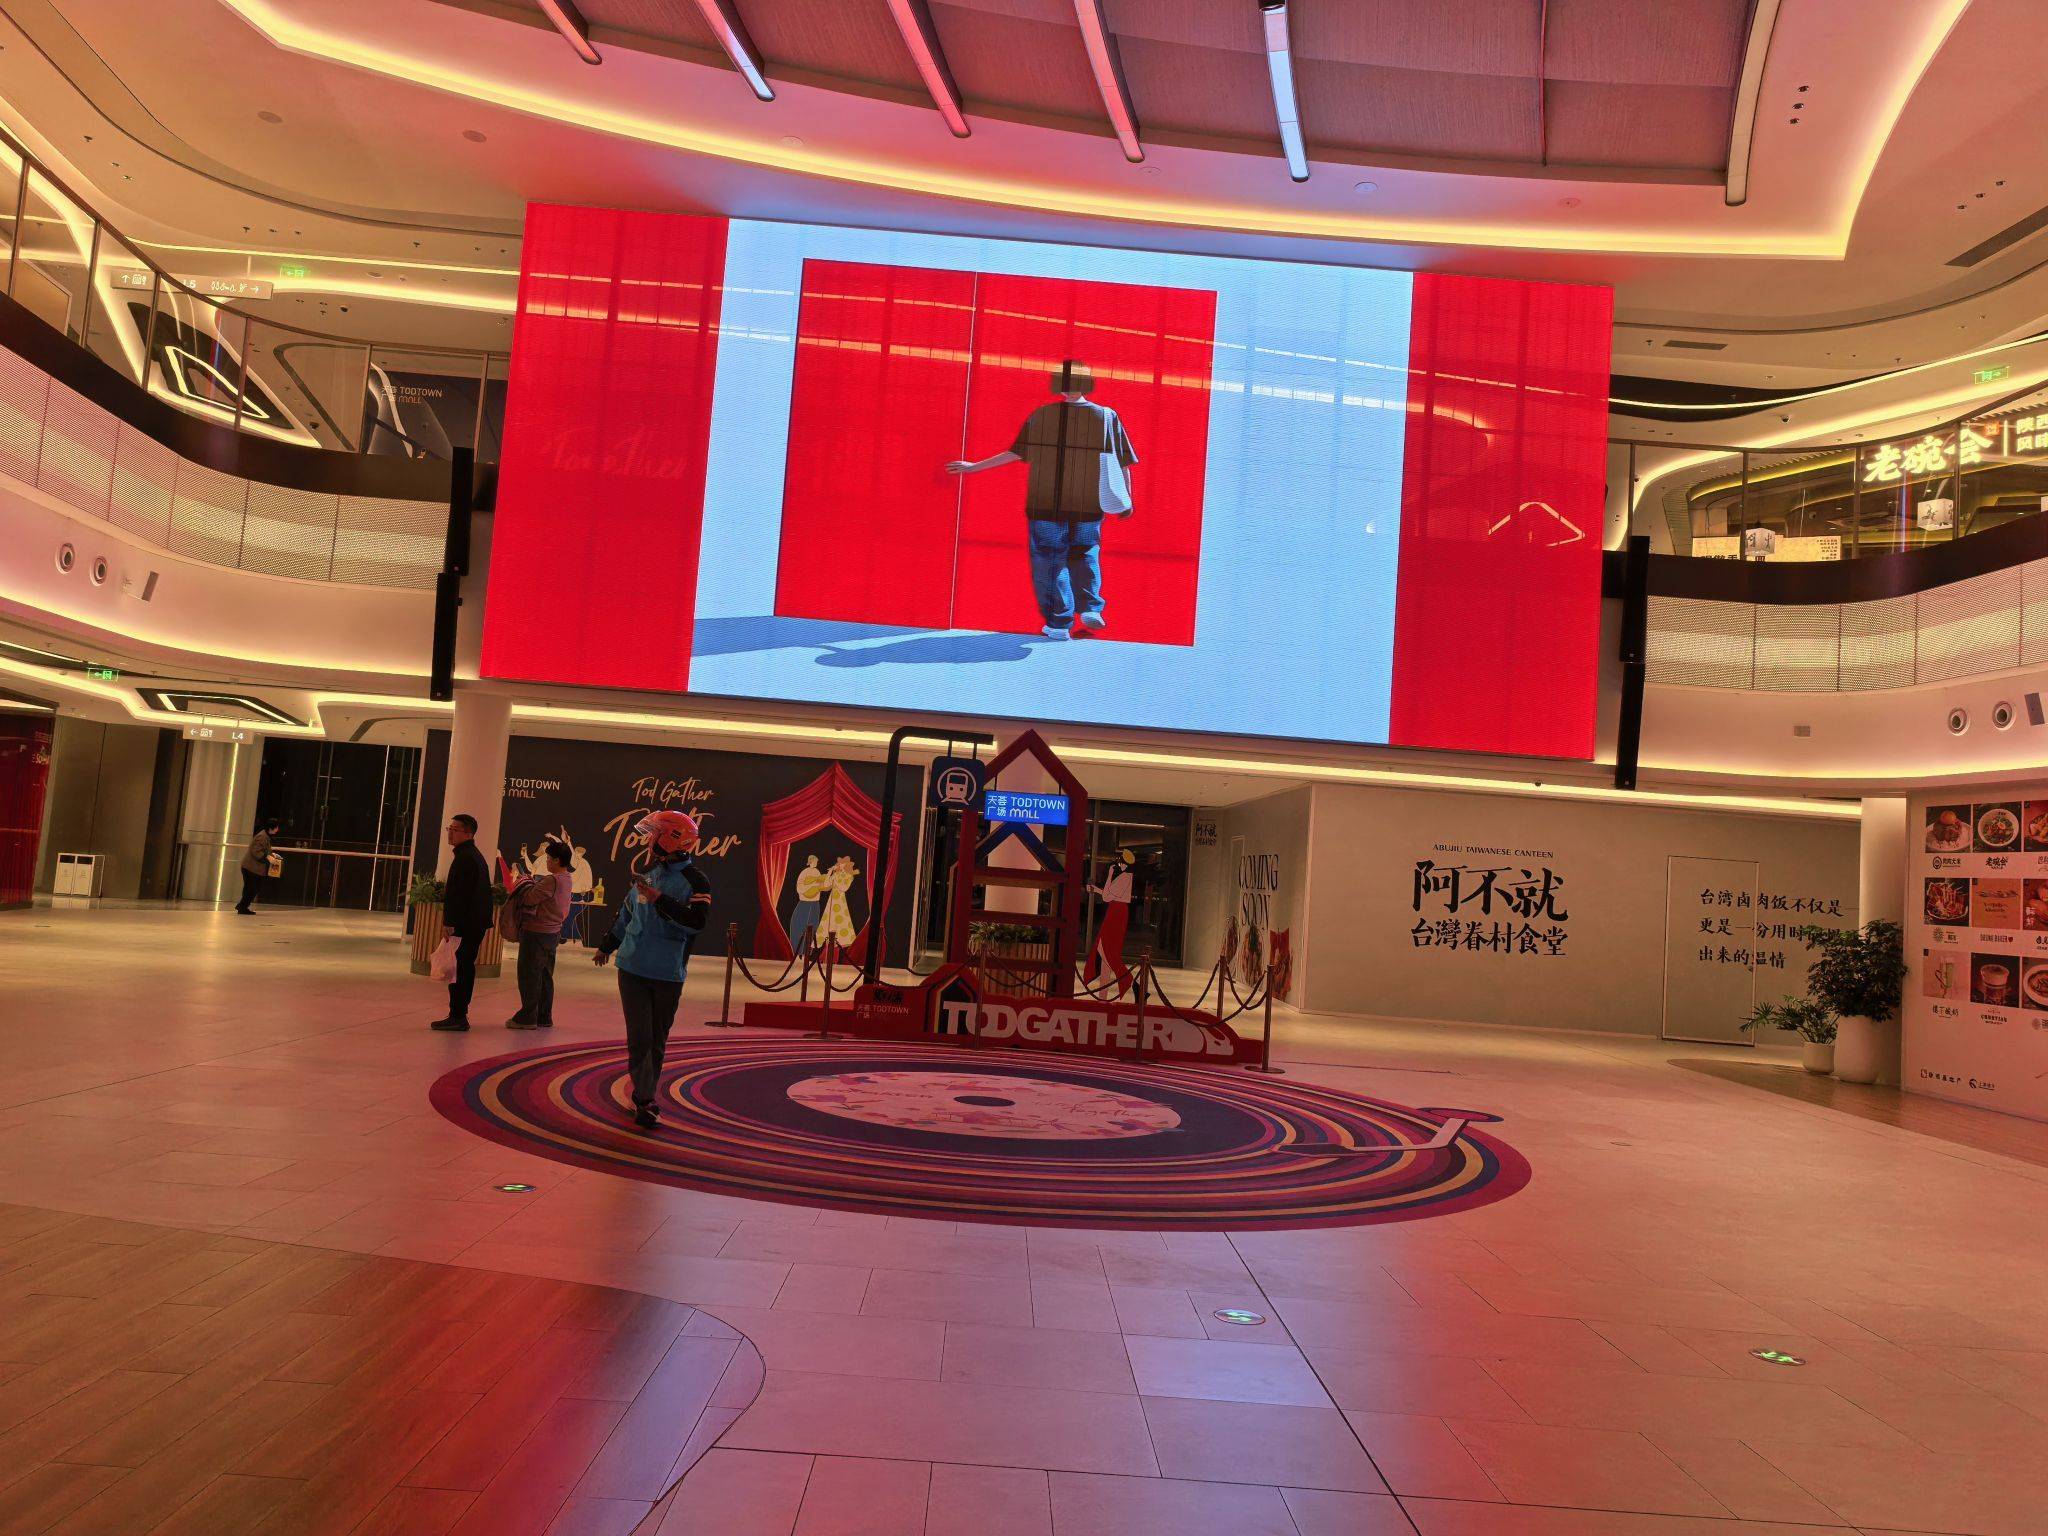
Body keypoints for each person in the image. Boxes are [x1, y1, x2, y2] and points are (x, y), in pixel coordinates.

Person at [945, 359, 1137, 640]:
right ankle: (1090, 607)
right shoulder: (1106, 416)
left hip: (1045, 503)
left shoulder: (1043, 415)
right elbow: (1123, 462)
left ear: (1058, 385)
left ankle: (1059, 624)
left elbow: (1015, 453)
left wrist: (974, 467)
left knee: (1050, 560)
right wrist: (1127, 499)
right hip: (1088, 504)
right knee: (1086, 551)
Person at [595, 810, 712, 1129]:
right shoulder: (646, 874)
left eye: (655, 833)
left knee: (655, 1040)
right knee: (639, 1037)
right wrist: (608, 944)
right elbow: (626, 913)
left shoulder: (696, 881)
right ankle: (645, 1099)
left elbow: (696, 923)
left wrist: (660, 900)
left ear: (673, 838)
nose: (650, 840)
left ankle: (644, 1094)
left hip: (666, 973)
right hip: (631, 967)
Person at [431, 813, 493, 1032]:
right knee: (463, 967)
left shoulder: (466, 858)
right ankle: (458, 1013)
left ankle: (458, 1016)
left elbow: (459, 895)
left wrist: (450, 922)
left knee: (460, 968)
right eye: (449, 828)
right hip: (473, 922)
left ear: (468, 833)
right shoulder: (471, 855)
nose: (450, 833)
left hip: (466, 923)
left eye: (454, 829)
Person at [507, 839, 574, 1030]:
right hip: (552, 932)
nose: (547, 862)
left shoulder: (552, 880)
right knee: (545, 975)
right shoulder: (567, 878)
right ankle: (544, 1016)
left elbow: (529, 898)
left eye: (549, 858)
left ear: (557, 860)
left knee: (529, 975)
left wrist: (524, 883)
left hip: (536, 932)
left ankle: (527, 1017)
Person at [1085, 845, 1137, 993]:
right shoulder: (1124, 877)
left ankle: (1131, 983)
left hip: (1117, 913)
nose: (1118, 864)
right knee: (1104, 951)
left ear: (1124, 863)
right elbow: (1109, 895)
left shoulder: (1124, 877)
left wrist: (1109, 875)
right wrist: (1096, 889)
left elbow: (1107, 897)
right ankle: (1104, 992)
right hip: (1115, 911)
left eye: (1120, 861)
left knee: (1107, 951)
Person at [234, 820, 281, 915]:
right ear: (271, 828)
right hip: (251, 868)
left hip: (254, 868)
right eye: (276, 827)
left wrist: (271, 855)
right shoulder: (262, 837)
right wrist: (267, 857)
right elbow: (256, 851)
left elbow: (263, 850)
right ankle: (242, 906)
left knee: (253, 888)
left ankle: (242, 906)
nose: (277, 829)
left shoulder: (265, 836)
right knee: (251, 888)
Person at [817, 854, 859, 949]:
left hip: (840, 901)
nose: (840, 865)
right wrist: (830, 872)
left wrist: (835, 879)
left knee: (840, 920)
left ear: (846, 865)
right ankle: (826, 943)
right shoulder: (836, 874)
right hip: (832, 900)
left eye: (842, 863)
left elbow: (844, 888)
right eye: (840, 863)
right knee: (829, 920)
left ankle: (839, 942)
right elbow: (826, 884)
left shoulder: (849, 876)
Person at [787, 853, 825, 952]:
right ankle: (798, 951)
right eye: (815, 861)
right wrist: (811, 887)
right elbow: (799, 887)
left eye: (817, 862)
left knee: (813, 927)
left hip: (815, 903)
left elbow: (820, 885)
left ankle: (807, 951)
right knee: (800, 926)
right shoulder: (804, 872)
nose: (816, 863)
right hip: (804, 903)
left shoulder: (817, 872)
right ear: (810, 862)